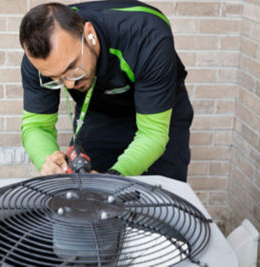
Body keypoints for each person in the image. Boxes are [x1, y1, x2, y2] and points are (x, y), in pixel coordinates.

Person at [19, 0, 194, 182]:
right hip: (100, 111)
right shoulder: (41, 61)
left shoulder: (147, 36)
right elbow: (36, 126)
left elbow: (153, 134)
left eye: (72, 68)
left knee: (160, 197)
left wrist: (113, 179)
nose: (70, 84)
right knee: (84, 189)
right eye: (57, 78)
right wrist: (49, 162)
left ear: (90, 34)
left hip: (160, 113)